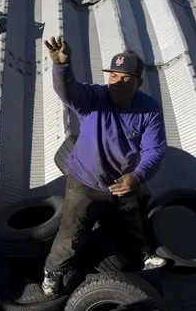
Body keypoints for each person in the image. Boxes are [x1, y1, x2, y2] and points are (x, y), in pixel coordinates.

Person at [41, 35, 168, 296]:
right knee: (72, 234)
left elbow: (154, 149)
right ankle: (53, 272)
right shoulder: (93, 99)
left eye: (124, 78)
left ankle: (141, 258)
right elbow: (68, 91)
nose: (116, 82)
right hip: (85, 181)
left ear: (138, 82)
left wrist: (137, 176)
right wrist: (62, 67)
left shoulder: (149, 109)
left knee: (131, 224)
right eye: (113, 75)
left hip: (123, 182)